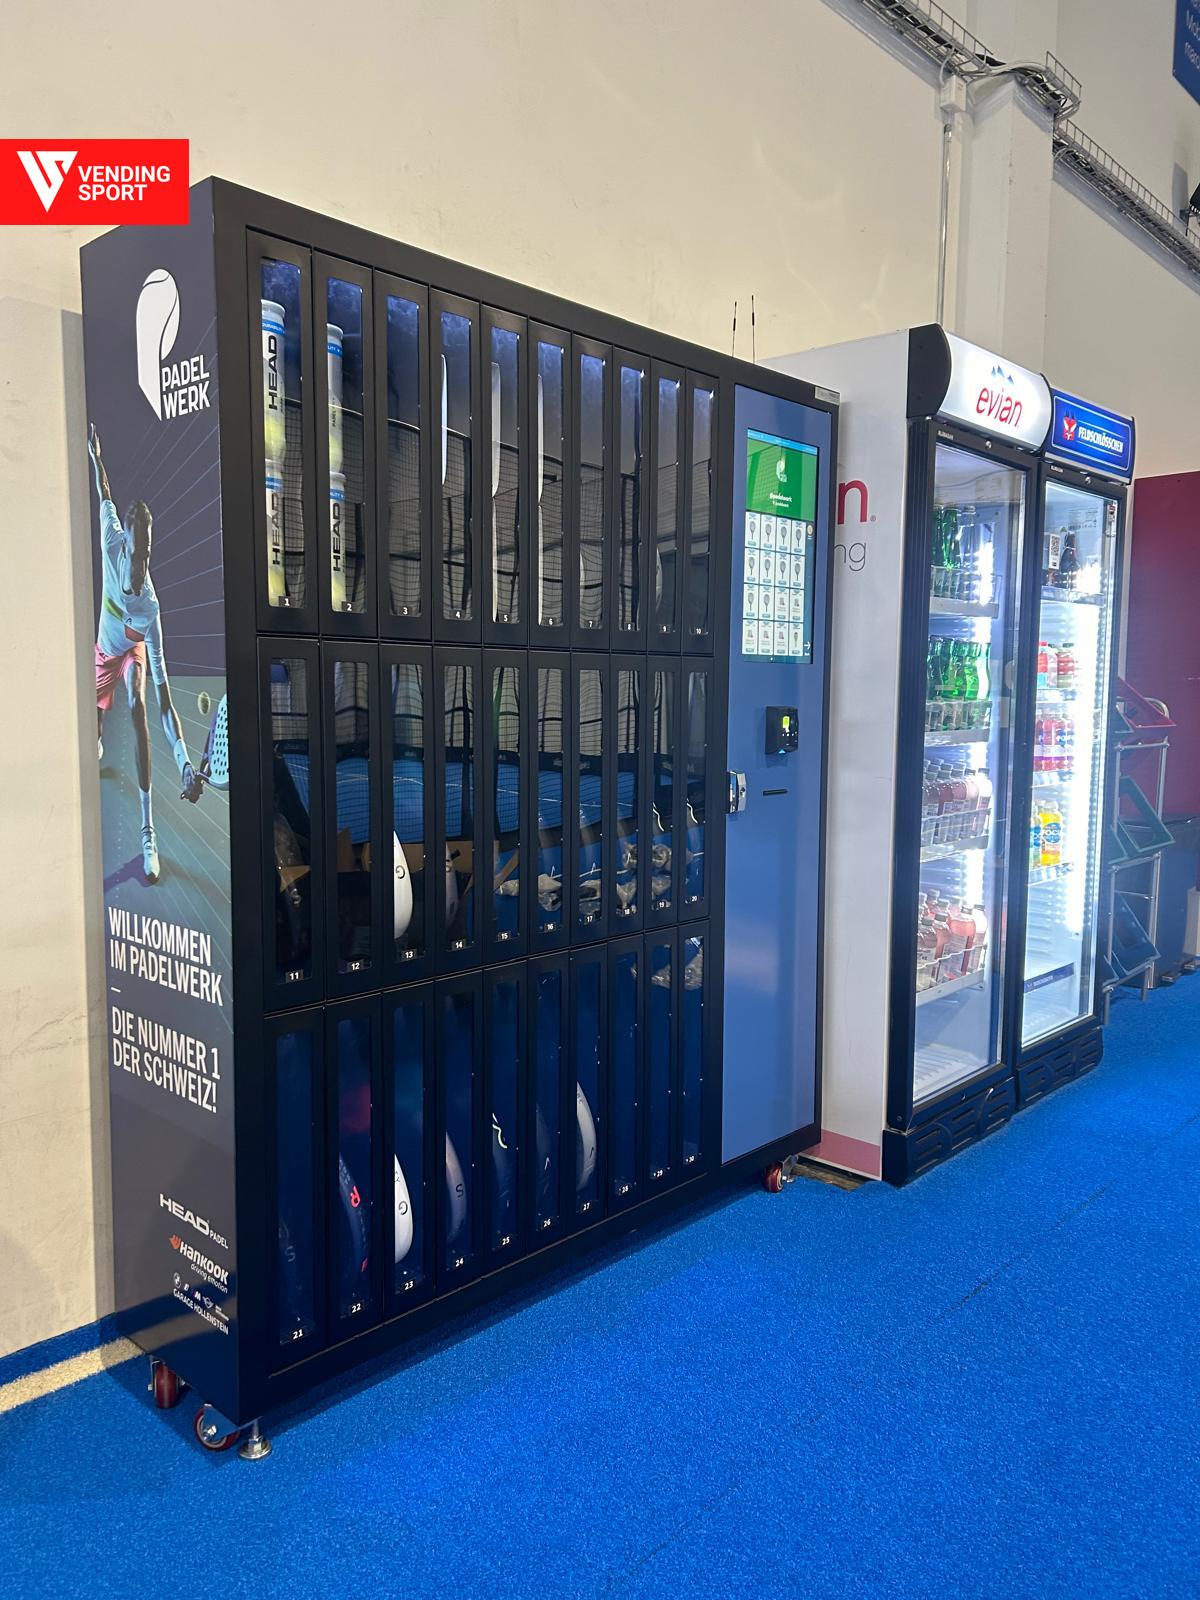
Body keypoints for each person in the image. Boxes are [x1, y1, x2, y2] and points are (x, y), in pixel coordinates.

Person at [89, 424, 202, 883]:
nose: (140, 562)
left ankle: (147, 831)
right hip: (104, 650)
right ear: (127, 543)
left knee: (138, 709)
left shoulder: (150, 608)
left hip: (132, 650)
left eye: (147, 554)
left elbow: (166, 704)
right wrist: (94, 455)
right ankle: (96, 730)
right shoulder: (112, 536)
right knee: (95, 723)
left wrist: (184, 763)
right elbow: (104, 490)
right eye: (137, 550)